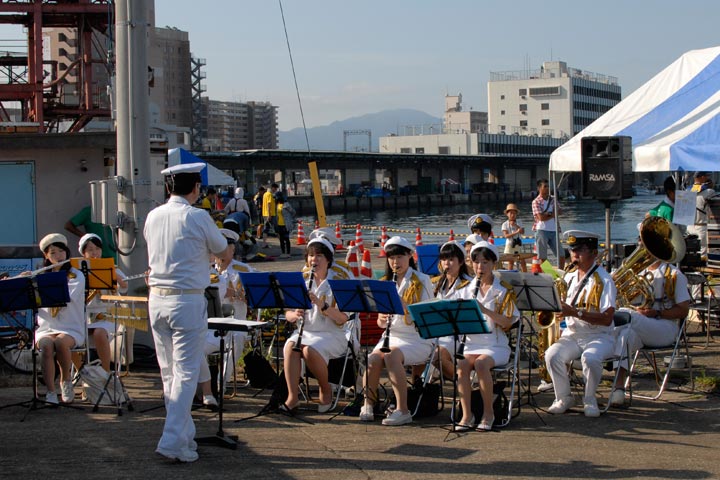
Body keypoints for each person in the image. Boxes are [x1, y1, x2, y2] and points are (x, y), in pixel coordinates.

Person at [144, 162, 228, 463]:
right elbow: (222, 251)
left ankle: (183, 440)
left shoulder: (153, 216)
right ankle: (170, 440)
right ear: (196, 188)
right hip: (187, 301)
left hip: (156, 300)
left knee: (170, 373)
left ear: (169, 188)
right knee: (187, 374)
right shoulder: (198, 216)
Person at [360, 236, 434, 426]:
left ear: (410, 256)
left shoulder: (422, 281)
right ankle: (368, 403)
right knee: (373, 358)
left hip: (417, 338)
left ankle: (403, 409)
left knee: (391, 355)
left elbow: (425, 317)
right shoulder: (384, 282)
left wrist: (402, 304)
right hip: (392, 336)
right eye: (391, 258)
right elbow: (380, 323)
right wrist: (382, 318)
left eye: (400, 257)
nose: (395, 262)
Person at [544, 230, 616, 418]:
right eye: (572, 250)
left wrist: (576, 312)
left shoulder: (605, 280)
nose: (574, 254)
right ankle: (563, 397)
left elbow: (607, 318)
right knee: (551, 355)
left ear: (593, 253)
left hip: (600, 336)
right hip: (573, 334)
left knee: (590, 359)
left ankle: (590, 399)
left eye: (580, 250)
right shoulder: (568, 277)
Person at [456, 241, 520, 431]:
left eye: (485, 262)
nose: (480, 267)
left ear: (493, 264)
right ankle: (466, 415)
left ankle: (488, 413)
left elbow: (508, 322)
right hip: (471, 344)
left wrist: (484, 310)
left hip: (495, 345)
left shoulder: (503, 290)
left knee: (481, 364)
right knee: (461, 364)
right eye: (476, 262)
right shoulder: (465, 288)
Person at [282, 237, 350, 413]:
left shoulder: (339, 282)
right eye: (311, 256)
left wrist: (322, 306)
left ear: (328, 260)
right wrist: (293, 314)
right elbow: (287, 313)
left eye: (319, 256)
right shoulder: (302, 281)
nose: (314, 260)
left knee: (308, 349)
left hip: (332, 335)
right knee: (290, 346)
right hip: (306, 332)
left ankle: (325, 388)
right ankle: (292, 396)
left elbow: (343, 318)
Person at [610, 258, 690, 406]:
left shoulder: (674, 274)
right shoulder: (638, 272)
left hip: (665, 327)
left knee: (627, 315)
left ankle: (599, 349)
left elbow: (684, 310)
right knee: (625, 336)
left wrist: (657, 313)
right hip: (640, 326)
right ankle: (619, 389)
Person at [197, 228, 255, 408]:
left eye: (225, 249)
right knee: (194, 346)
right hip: (210, 326)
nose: (219, 254)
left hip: (235, 324)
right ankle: (203, 388)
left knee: (236, 340)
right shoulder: (204, 270)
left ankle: (221, 384)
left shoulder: (243, 270)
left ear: (232, 250)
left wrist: (240, 294)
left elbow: (255, 298)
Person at [33, 233, 86, 405]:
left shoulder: (75, 276)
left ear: (67, 253)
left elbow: (66, 298)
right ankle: (50, 391)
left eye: (61, 252)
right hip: (46, 328)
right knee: (47, 346)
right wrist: (28, 282)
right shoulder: (40, 277)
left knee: (60, 343)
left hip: (70, 328)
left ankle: (66, 382)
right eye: (53, 253)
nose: (58, 256)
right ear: (46, 256)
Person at [78, 233, 129, 372]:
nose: (94, 253)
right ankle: (80, 373)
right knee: (71, 335)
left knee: (99, 333)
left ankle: (105, 373)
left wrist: (113, 274)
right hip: (85, 316)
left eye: (97, 249)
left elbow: (124, 288)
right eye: (90, 250)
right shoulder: (77, 272)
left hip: (107, 315)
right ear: (84, 253)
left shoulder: (112, 267)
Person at [432, 241, 473, 382]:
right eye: (443, 259)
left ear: (461, 262)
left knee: (437, 356)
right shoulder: (437, 283)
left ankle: (463, 382)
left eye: (451, 259)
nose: (446, 264)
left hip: (461, 336)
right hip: (440, 334)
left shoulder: (470, 285)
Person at [532, 178, 564, 269]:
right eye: (545, 186)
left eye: (548, 186)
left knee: (561, 255)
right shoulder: (536, 202)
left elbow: (560, 211)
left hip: (554, 230)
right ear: (539, 188)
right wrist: (553, 214)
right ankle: (551, 274)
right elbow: (541, 218)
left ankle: (560, 274)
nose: (547, 188)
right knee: (542, 257)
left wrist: (549, 214)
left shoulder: (553, 199)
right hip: (542, 230)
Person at [687, 171, 716, 256]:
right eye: (706, 176)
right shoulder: (710, 191)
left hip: (689, 226)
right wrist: (711, 187)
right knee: (702, 255)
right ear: (702, 177)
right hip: (701, 227)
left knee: (691, 252)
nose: (707, 178)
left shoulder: (687, 190)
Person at [501, 203, 526, 271]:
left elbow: (523, 231)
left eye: (514, 213)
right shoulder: (505, 224)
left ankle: (526, 275)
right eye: (511, 213)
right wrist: (516, 232)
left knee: (522, 261)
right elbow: (506, 235)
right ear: (507, 214)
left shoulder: (519, 222)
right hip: (510, 244)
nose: (512, 215)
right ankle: (510, 274)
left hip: (518, 243)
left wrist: (516, 225)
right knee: (510, 262)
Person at [258, 183, 279, 248]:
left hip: (264, 214)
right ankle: (282, 241)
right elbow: (269, 205)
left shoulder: (265, 194)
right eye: (275, 188)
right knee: (276, 228)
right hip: (271, 214)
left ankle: (264, 243)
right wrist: (269, 215)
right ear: (272, 188)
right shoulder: (270, 194)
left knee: (266, 229)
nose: (275, 190)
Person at [275, 193, 294, 258]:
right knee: (281, 239)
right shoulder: (277, 205)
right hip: (279, 224)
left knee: (286, 238)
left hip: (286, 225)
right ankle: (283, 252)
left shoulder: (286, 205)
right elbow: (277, 215)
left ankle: (288, 253)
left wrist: (289, 218)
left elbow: (293, 212)